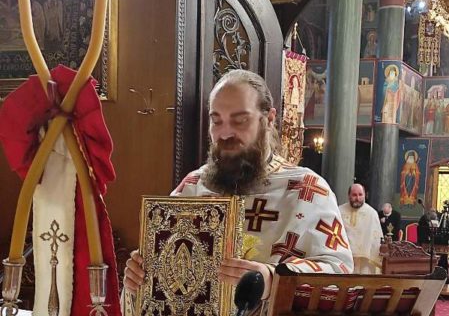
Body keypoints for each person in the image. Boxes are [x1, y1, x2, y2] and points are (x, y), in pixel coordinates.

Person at [124, 70, 354, 302]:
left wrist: (273, 281)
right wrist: (137, 281)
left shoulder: (306, 191)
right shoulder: (192, 187)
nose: (225, 133)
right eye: (216, 121)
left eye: (240, 120)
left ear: (269, 119)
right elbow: (157, 278)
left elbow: (339, 276)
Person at [339, 184, 383, 274]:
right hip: (344, 258)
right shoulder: (339, 211)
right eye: (354, 195)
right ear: (349, 195)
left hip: (365, 260)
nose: (357, 198)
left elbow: (377, 239)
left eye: (360, 195)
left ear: (365, 195)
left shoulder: (372, 213)